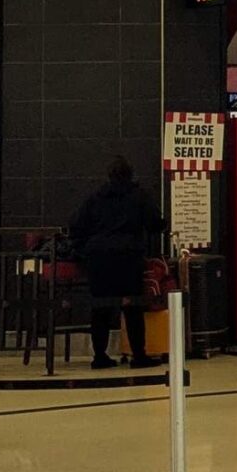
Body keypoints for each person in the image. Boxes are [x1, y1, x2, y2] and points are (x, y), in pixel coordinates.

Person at [67, 155, 164, 371]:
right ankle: (139, 355)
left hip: (99, 258)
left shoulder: (95, 197)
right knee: (133, 307)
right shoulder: (139, 196)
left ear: (109, 175)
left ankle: (100, 356)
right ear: (131, 175)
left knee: (100, 308)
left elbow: (76, 225)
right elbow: (156, 223)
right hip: (129, 257)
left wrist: (86, 249)